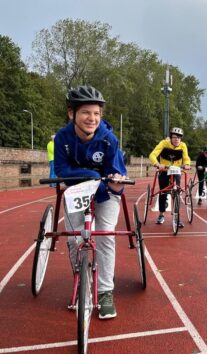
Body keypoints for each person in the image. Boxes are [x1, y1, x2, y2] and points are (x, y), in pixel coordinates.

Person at [54, 85, 127, 320]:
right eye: (86, 112)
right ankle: (82, 282)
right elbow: (62, 170)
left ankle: (105, 291)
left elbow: (116, 174)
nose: (92, 118)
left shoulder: (109, 139)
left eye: (96, 113)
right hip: (77, 191)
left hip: (105, 193)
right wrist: (92, 176)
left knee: (105, 236)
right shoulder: (62, 138)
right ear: (71, 113)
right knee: (76, 239)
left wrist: (115, 184)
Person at [150, 127, 191, 224]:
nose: (177, 139)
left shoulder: (183, 145)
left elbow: (186, 157)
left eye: (179, 137)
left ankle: (177, 217)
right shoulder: (164, 143)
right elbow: (152, 155)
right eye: (174, 137)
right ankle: (161, 215)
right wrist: (157, 164)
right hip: (164, 170)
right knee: (163, 192)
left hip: (176, 170)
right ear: (171, 137)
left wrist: (187, 164)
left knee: (176, 192)